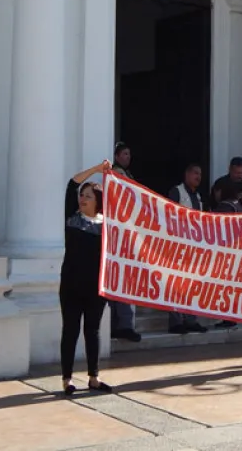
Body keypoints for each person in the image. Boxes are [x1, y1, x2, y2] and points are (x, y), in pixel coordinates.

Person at [60, 161, 114, 395]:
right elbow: (72, 183)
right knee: (70, 330)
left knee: (92, 331)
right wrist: (96, 170)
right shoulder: (72, 219)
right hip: (71, 285)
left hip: (95, 287)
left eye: (89, 196)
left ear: (98, 201)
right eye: (83, 195)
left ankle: (94, 376)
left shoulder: (107, 226)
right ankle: (67, 379)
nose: (83, 198)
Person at [166, 164, 208, 334]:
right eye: (195, 173)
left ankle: (191, 320)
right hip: (178, 245)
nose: (198, 176)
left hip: (194, 247)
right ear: (187, 174)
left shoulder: (197, 196)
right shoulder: (176, 192)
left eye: (200, 174)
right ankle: (176, 322)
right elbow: (169, 215)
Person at [109, 141, 140, 342]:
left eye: (129, 154)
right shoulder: (117, 175)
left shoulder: (126, 175)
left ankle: (123, 324)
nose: (128, 157)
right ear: (117, 156)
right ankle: (121, 325)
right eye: (125, 154)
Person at [211, 180, 242, 329]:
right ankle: (232, 317)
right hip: (238, 253)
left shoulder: (224, 206)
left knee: (224, 287)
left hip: (226, 254)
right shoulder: (238, 206)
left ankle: (227, 318)